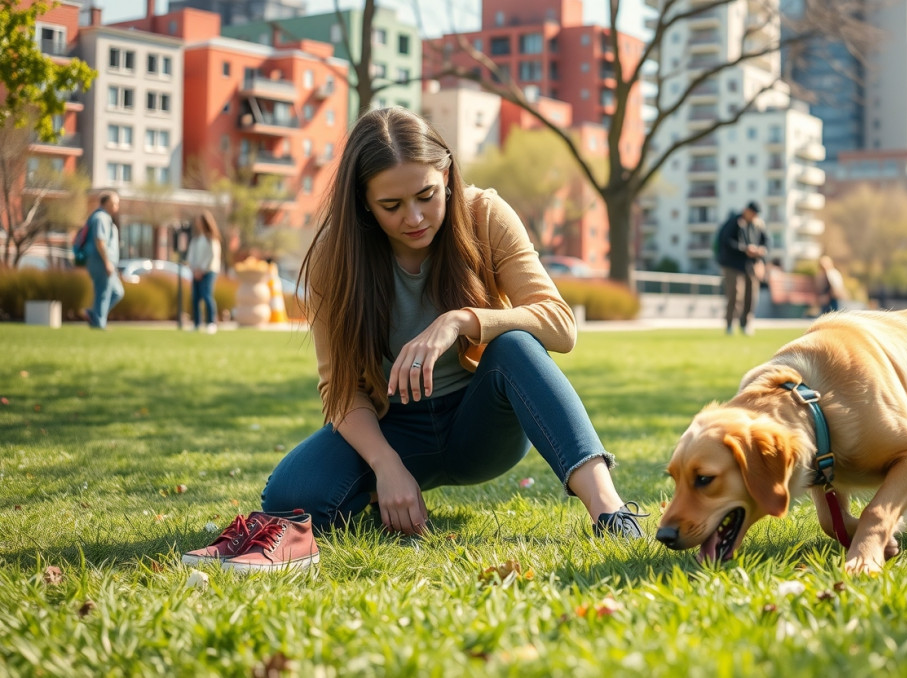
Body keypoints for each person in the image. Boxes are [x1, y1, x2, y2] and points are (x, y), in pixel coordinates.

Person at [256, 107, 644, 552]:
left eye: (427, 195)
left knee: (514, 343)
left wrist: (462, 320)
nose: (415, 217)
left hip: (480, 426)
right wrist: (386, 465)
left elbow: (559, 323)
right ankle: (383, 498)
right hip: (394, 430)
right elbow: (339, 389)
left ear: (448, 175)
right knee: (287, 500)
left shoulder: (485, 214)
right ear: (364, 201)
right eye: (391, 205)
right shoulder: (335, 258)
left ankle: (610, 511)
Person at [716, 201, 768, 335]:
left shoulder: (757, 225)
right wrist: (744, 249)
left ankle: (746, 324)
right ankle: (730, 324)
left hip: (750, 264)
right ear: (746, 210)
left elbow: (765, 243)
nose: (753, 216)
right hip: (732, 264)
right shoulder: (734, 222)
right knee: (735, 293)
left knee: (751, 295)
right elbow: (726, 242)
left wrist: (761, 257)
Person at [84, 191, 123, 329]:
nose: (117, 206)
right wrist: (107, 262)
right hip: (101, 262)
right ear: (106, 203)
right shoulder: (101, 217)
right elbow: (100, 241)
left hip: (106, 262)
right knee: (103, 293)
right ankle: (99, 324)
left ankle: (94, 314)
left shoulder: (105, 218)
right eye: (114, 203)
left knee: (117, 292)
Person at [187, 210, 223, 334]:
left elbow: (212, 256)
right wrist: (194, 269)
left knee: (207, 296)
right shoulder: (196, 239)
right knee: (195, 298)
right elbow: (191, 256)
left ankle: (211, 323)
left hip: (208, 272)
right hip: (196, 272)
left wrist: (202, 270)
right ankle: (197, 324)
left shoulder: (211, 239)